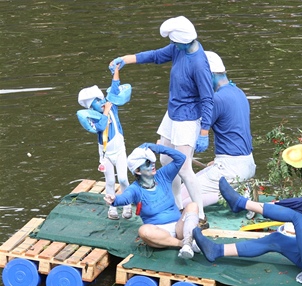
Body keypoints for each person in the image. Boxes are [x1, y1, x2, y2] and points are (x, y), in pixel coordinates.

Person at [107, 15, 213, 229]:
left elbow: (208, 98)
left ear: (184, 40)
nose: (171, 45)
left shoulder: (199, 64)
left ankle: (200, 214)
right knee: (165, 162)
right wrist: (126, 59)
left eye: (174, 42)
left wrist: (204, 132)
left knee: (184, 168)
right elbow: (155, 56)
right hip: (172, 113)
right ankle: (176, 205)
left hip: (188, 118)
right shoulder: (178, 49)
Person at [181, 51, 256, 207]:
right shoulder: (238, 92)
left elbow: (192, 137)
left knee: (179, 202)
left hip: (230, 169)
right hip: (247, 164)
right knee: (188, 186)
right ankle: (239, 188)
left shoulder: (216, 100)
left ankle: (237, 195)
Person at [104, 143, 201, 259]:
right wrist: (114, 200)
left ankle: (187, 240)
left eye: (153, 162)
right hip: (158, 233)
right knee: (143, 231)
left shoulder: (163, 175)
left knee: (193, 206)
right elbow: (125, 197)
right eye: (148, 163)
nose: (152, 165)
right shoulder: (135, 189)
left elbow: (181, 158)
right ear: (138, 171)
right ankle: (184, 244)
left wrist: (159, 149)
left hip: (178, 226)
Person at [77, 64, 131, 220]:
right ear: (90, 106)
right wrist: (105, 110)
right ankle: (112, 209)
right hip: (106, 155)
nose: (100, 102)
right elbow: (101, 125)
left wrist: (116, 72)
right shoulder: (94, 118)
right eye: (96, 102)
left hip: (120, 150)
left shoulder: (112, 107)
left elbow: (114, 88)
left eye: (100, 99)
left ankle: (127, 205)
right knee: (110, 181)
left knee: (123, 179)